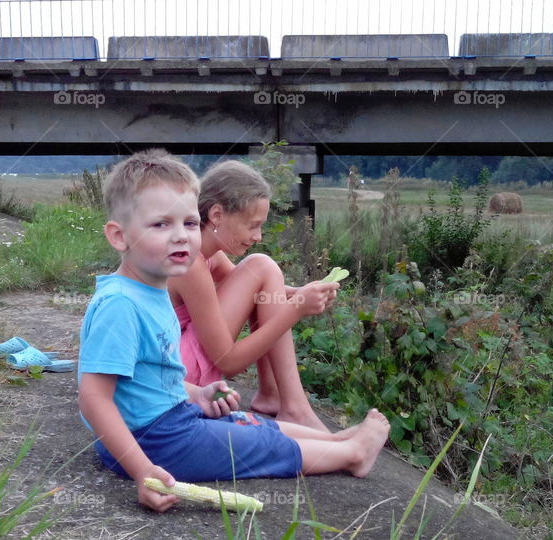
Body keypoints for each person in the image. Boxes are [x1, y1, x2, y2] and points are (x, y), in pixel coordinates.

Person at [78, 149, 390, 512]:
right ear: (119, 237)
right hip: (156, 441)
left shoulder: (153, 286)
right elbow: (94, 398)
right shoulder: (120, 304)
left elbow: (151, 374)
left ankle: (336, 440)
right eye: (161, 224)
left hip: (168, 418)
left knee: (246, 421)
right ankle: (352, 453)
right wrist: (142, 471)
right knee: (257, 447)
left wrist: (195, 392)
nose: (181, 237)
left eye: (189, 223)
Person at [168, 160, 338, 432]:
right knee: (261, 264)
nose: (258, 236)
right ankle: (293, 407)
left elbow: (257, 289)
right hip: (182, 376)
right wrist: (295, 308)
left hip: (184, 361)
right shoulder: (190, 262)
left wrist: (303, 293)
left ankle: (273, 395)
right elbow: (228, 362)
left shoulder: (203, 248)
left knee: (263, 268)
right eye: (252, 225)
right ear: (217, 214)